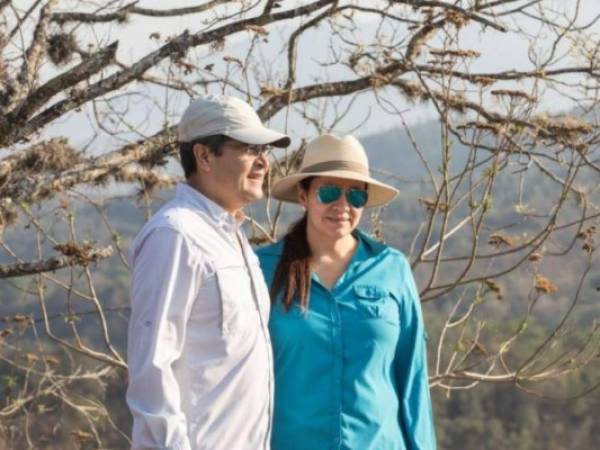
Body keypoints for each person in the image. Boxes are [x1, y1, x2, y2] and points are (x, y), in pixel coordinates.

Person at [126, 94, 290, 450]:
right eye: (248, 148)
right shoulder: (175, 236)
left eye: (265, 150)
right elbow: (152, 370)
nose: (263, 162)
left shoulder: (233, 239)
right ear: (203, 156)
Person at [257, 134, 437, 450]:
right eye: (328, 192)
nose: (342, 206)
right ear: (304, 195)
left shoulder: (391, 268)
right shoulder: (261, 269)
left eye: (355, 196)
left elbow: (413, 378)